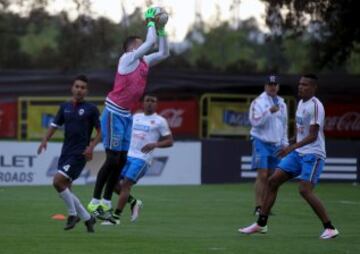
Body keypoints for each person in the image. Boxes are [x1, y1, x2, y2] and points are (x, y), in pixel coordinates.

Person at [87, 7, 170, 217]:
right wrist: (151, 21)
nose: (143, 45)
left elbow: (164, 52)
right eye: (139, 43)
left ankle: (105, 201)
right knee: (113, 159)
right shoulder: (127, 59)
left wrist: (162, 31)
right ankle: (95, 199)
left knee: (121, 160)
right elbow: (150, 44)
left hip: (126, 115)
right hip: (114, 111)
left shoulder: (144, 61)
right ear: (131, 47)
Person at [239, 74, 339, 239]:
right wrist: (290, 143)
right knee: (272, 181)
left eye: (305, 85)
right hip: (299, 153)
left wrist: (291, 147)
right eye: (300, 84)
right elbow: (301, 133)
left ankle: (330, 228)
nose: (301, 87)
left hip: (313, 154)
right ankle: (261, 224)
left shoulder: (315, 105)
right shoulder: (300, 103)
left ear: (314, 88)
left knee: (304, 190)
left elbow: (313, 136)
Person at [37, 75, 99, 233]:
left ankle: (72, 215)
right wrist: (45, 140)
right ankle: (87, 218)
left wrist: (91, 147)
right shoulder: (65, 107)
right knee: (66, 190)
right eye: (77, 86)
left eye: (82, 87)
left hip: (80, 153)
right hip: (66, 152)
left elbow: (101, 132)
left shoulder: (91, 109)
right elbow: (54, 125)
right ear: (72, 88)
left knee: (57, 182)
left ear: (86, 91)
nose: (79, 90)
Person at [103, 94, 173, 225]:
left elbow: (170, 141)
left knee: (125, 185)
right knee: (112, 183)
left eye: (153, 101)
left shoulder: (160, 121)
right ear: (143, 103)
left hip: (142, 158)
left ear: (157, 104)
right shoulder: (136, 117)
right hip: (127, 155)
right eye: (147, 100)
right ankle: (134, 202)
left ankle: (115, 217)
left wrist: (155, 144)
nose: (150, 103)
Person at [248, 75, 288, 215]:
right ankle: (258, 207)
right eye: (270, 84)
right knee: (263, 174)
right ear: (265, 86)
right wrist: (269, 112)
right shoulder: (258, 102)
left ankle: (266, 208)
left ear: (278, 86)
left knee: (273, 177)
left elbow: (284, 125)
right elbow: (254, 122)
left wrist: (285, 143)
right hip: (260, 141)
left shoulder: (282, 104)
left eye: (275, 84)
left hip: (276, 143)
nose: (273, 87)